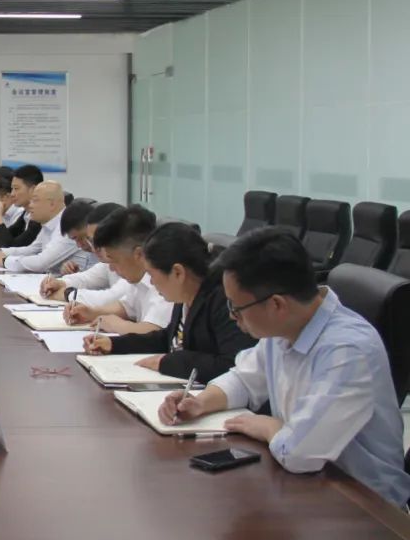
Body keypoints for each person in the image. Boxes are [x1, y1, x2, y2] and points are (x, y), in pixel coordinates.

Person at [157, 227, 410, 509]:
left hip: (366, 509)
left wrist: (270, 426)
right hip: (310, 488)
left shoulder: (348, 351)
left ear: (276, 305)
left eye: (236, 308)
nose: (232, 317)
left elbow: (300, 453)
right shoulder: (286, 326)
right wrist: (200, 402)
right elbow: (244, 379)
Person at [82, 222, 255, 383]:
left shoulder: (222, 300)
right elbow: (167, 338)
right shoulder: (185, 295)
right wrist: (114, 344)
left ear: (178, 273)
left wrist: (168, 362)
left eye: (152, 274)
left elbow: (231, 365)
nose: (151, 282)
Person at [63, 205, 173, 335]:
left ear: (139, 254)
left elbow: (155, 331)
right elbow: (126, 307)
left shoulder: (163, 279)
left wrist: (117, 325)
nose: (111, 267)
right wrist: (92, 313)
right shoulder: (138, 277)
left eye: (114, 260)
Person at [0, 180, 78, 273]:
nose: (30, 205)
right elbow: (32, 249)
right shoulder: (49, 222)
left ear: (52, 204)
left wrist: (5, 260)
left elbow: (41, 263)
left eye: (35, 200)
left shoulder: (67, 225)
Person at [41, 202, 125, 303]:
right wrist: (60, 283)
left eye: (98, 241)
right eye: (91, 241)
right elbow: (86, 278)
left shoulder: (134, 264)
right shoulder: (109, 263)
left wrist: (67, 294)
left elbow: (113, 298)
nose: (94, 248)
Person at [0, 164, 44, 249]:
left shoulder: (39, 217)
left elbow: (10, 246)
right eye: (12, 189)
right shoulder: (26, 214)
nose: (12, 194)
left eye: (16, 189)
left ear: (33, 189)